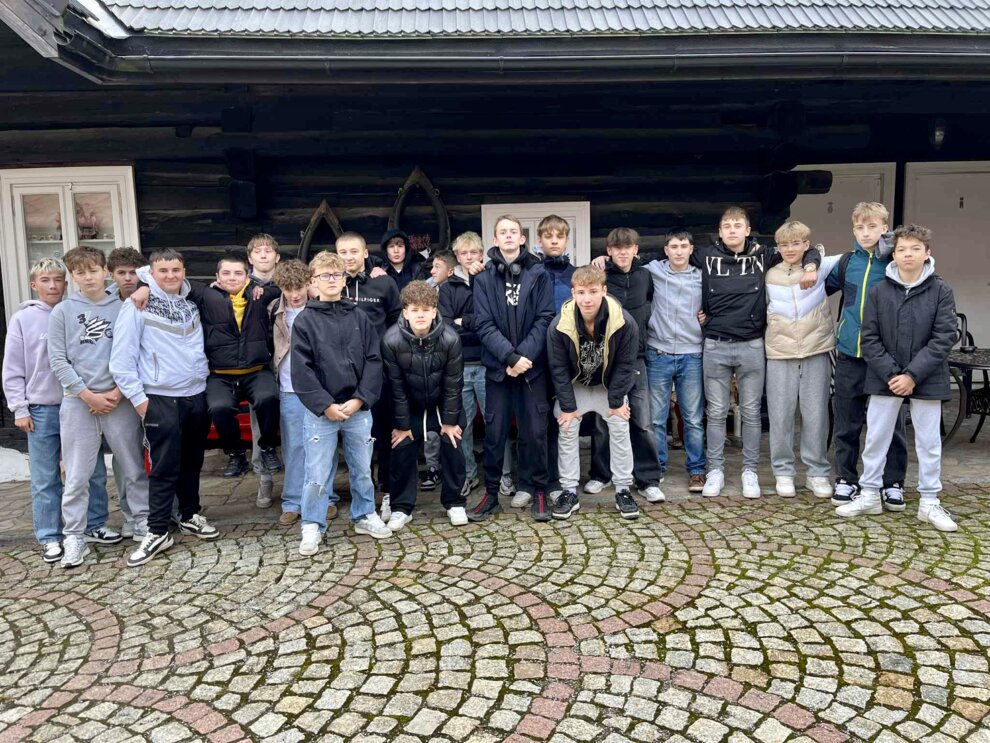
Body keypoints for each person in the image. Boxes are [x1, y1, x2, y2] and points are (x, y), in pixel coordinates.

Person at [837, 224, 957, 532]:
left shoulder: (940, 290)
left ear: (927, 253)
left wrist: (913, 375)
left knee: (929, 442)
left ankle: (929, 502)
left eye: (915, 249)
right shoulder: (880, 290)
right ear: (894, 254)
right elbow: (870, 336)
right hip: (885, 377)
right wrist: (893, 374)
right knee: (876, 437)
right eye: (902, 249)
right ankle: (869, 494)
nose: (908, 254)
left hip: (927, 377)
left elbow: (944, 336)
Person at [695, 207, 820, 499]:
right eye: (727, 226)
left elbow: (808, 250)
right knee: (716, 412)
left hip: (751, 344)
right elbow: (666, 257)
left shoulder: (763, 255)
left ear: (748, 230)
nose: (732, 230)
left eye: (738, 225)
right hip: (715, 344)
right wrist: (604, 260)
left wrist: (811, 267)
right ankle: (715, 470)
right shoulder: (705, 255)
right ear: (720, 231)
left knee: (751, 412)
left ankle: (749, 471)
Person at [111, 250, 220, 567]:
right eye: (163, 271)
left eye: (176, 269)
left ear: (184, 271)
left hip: (195, 394)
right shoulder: (136, 306)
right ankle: (157, 530)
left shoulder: (190, 304)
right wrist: (140, 400)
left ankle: (189, 514)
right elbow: (121, 360)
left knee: (192, 461)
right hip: (160, 397)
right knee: (163, 467)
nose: (170, 275)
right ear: (152, 272)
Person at [2, 258, 111, 564]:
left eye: (58, 279)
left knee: (91, 470)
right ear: (34, 285)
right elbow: (13, 368)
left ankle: (95, 523)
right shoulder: (23, 319)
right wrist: (19, 408)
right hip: (43, 407)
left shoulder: (76, 310)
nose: (52, 286)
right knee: (45, 475)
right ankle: (50, 535)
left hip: (79, 402)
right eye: (45, 280)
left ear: (67, 282)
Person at [47, 247, 149, 568]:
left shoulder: (123, 308)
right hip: (78, 402)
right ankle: (75, 535)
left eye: (93, 270)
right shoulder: (62, 312)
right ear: (72, 277)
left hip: (119, 400)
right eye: (80, 272)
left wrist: (118, 392)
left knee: (132, 466)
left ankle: (142, 521)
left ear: (105, 271)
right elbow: (58, 360)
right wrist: (86, 395)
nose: (88, 277)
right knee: (77, 473)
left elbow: (136, 353)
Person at [292, 251, 390, 556]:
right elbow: (301, 369)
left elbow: (373, 359)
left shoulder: (359, 317)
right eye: (325, 276)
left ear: (345, 280)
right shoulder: (305, 321)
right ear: (313, 281)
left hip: (357, 407)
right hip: (322, 411)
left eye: (336, 275)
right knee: (317, 472)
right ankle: (312, 523)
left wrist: (360, 398)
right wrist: (325, 405)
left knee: (362, 468)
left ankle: (364, 514)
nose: (331, 280)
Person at [469, 215, 555, 522]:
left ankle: (539, 491)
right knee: (495, 434)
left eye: (513, 232)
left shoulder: (539, 273)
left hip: (532, 369)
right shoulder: (483, 278)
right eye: (502, 232)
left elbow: (545, 318)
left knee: (536, 432)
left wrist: (522, 358)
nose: (508, 236)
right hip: (499, 370)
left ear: (522, 238)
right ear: (495, 240)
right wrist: (509, 357)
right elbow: (483, 323)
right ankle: (491, 495)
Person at [825, 202, 905, 509]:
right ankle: (846, 478)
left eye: (872, 226)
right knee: (847, 419)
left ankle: (892, 482)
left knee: (891, 422)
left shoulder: (895, 261)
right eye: (859, 227)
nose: (865, 233)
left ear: (884, 228)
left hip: (885, 356)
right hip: (850, 352)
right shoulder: (848, 262)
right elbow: (821, 288)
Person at [548, 266, 639, 519]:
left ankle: (623, 490)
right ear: (573, 293)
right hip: (576, 384)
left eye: (593, 291)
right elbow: (557, 368)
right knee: (567, 426)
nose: (587, 299)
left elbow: (625, 365)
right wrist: (568, 407)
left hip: (607, 385)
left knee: (620, 425)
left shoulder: (623, 321)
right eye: (581, 292)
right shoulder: (559, 324)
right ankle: (569, 492)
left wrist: (616, 401)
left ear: (604, 291)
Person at [382, 281, 468, 528]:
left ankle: (454, 502)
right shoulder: (391, 340)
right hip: (410, 406)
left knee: (453, 441)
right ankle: (401, 507)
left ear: (434, 311)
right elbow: (396, 387)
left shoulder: (450, 338)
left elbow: (454, 384)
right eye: (414, 310)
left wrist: (450, 422)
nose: (420, 315)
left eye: (426, 309)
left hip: (442, 403)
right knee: (401, 446)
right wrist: (402, 425)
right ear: (405, 312)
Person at [764, 221, 840, 498]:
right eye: (784, 244)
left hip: (816, 349)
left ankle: (816, 472)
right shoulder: (768, 273)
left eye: (796, 243)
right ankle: (783, 471)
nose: (790, 249)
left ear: (806, 245)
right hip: (779, 351)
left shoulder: (821, 267)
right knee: (780, 415)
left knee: (816, 414)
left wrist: (812, 265)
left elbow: (852, 256)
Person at [588, 228, 664, 504]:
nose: (622, 252)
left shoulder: (645, 276)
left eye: (627, 247)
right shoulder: (600, 275)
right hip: (606, 359)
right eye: (617, 248)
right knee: (602, 421)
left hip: (637, 358)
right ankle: (601, 474)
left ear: (635, 249)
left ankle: (648, 479)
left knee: (642, 421)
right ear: (609, 251)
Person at [335, 232, 401, 519]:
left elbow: (397, 319)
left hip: (380, 371)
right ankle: (361, 492)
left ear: (365, 253)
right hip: (344, 373)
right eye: (343, 252)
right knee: (353, 435)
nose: (349, 257)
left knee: (383, 431)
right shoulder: (332, 283)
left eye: (354, 251)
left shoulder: (383, 282)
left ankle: (387, 490)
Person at [643, 231, 706, 493]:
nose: (679, 251)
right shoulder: (653, 270)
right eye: (674, 246)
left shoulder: (702, 276)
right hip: (659, 351)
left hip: (692, 353)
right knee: (656, 418)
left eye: (683, 246)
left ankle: (697, 470)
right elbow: (624, 264)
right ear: (666, 250)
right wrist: (602, 259)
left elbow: (718, 300)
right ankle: (657, 467)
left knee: (693, 418)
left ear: (691, 249)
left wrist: (709, 315)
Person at [439, 231, 488, 497]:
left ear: (481, 254)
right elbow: (447, 325)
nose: (469, 257)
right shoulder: (448, 288)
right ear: (457, 257)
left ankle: (500, 474)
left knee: (495, 422)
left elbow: (492, 321)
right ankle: (469, 474)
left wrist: (465, 321)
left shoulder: (490, 281)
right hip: (461, 365)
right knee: (464, 424)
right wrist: (476, 324)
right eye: (464, 253)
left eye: (474, 252)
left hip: (489, 362)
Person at [105, 246, 148, 537]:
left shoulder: (151, 296)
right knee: (125, 457)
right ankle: (131, 513)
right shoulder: (104, 304)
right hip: (115, 392)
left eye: (133, 272)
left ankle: (163, 508)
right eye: (122, 273)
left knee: (157, 452)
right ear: (112, 274)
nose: (128, 278)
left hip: (147, 387)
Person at [269, 259, 312, 526]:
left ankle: (325, 497)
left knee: (322, 445)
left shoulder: (319, 308)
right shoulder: (273, 310)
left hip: (317, 388)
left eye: (299, 287)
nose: (294, 294)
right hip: (288, 386)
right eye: (288, 289)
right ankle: (293, 501)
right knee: (294, 446)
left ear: (308, 284)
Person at [245, 233, 282, 509]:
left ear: (277, 257)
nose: (263, 255)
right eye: (258, 251)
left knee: (293, 422)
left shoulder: (287, 282)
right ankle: (264, 478)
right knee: (260, 420)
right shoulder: (240, 284)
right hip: (257, 364)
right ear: (250, 258)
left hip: (287, 358)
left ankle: (296, 481)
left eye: (268, 251)